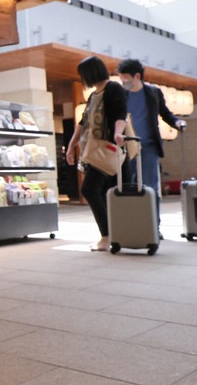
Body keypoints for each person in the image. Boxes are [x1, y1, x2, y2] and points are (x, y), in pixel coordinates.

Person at [116, 58, 186, 236]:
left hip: (149, 147)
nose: (123, 81)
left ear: (137, 76)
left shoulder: (153, 92)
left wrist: (177, 123)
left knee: (150, 187)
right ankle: (134, 225)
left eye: (125, 78)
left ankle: (154, 226)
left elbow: (165, 113)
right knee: (129, 186)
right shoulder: (121, 94)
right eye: (121, 78)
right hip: (126, 148)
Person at [65, 56, 127, 252]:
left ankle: (107, 236)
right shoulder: (93, 96)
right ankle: (113, 234)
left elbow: (120, 114)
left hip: (107, 150)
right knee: (101, 191)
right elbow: (82, 124)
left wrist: (118, 133)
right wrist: (71, 146)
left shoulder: (113, 89)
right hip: (94, 151)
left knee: (89, 189)